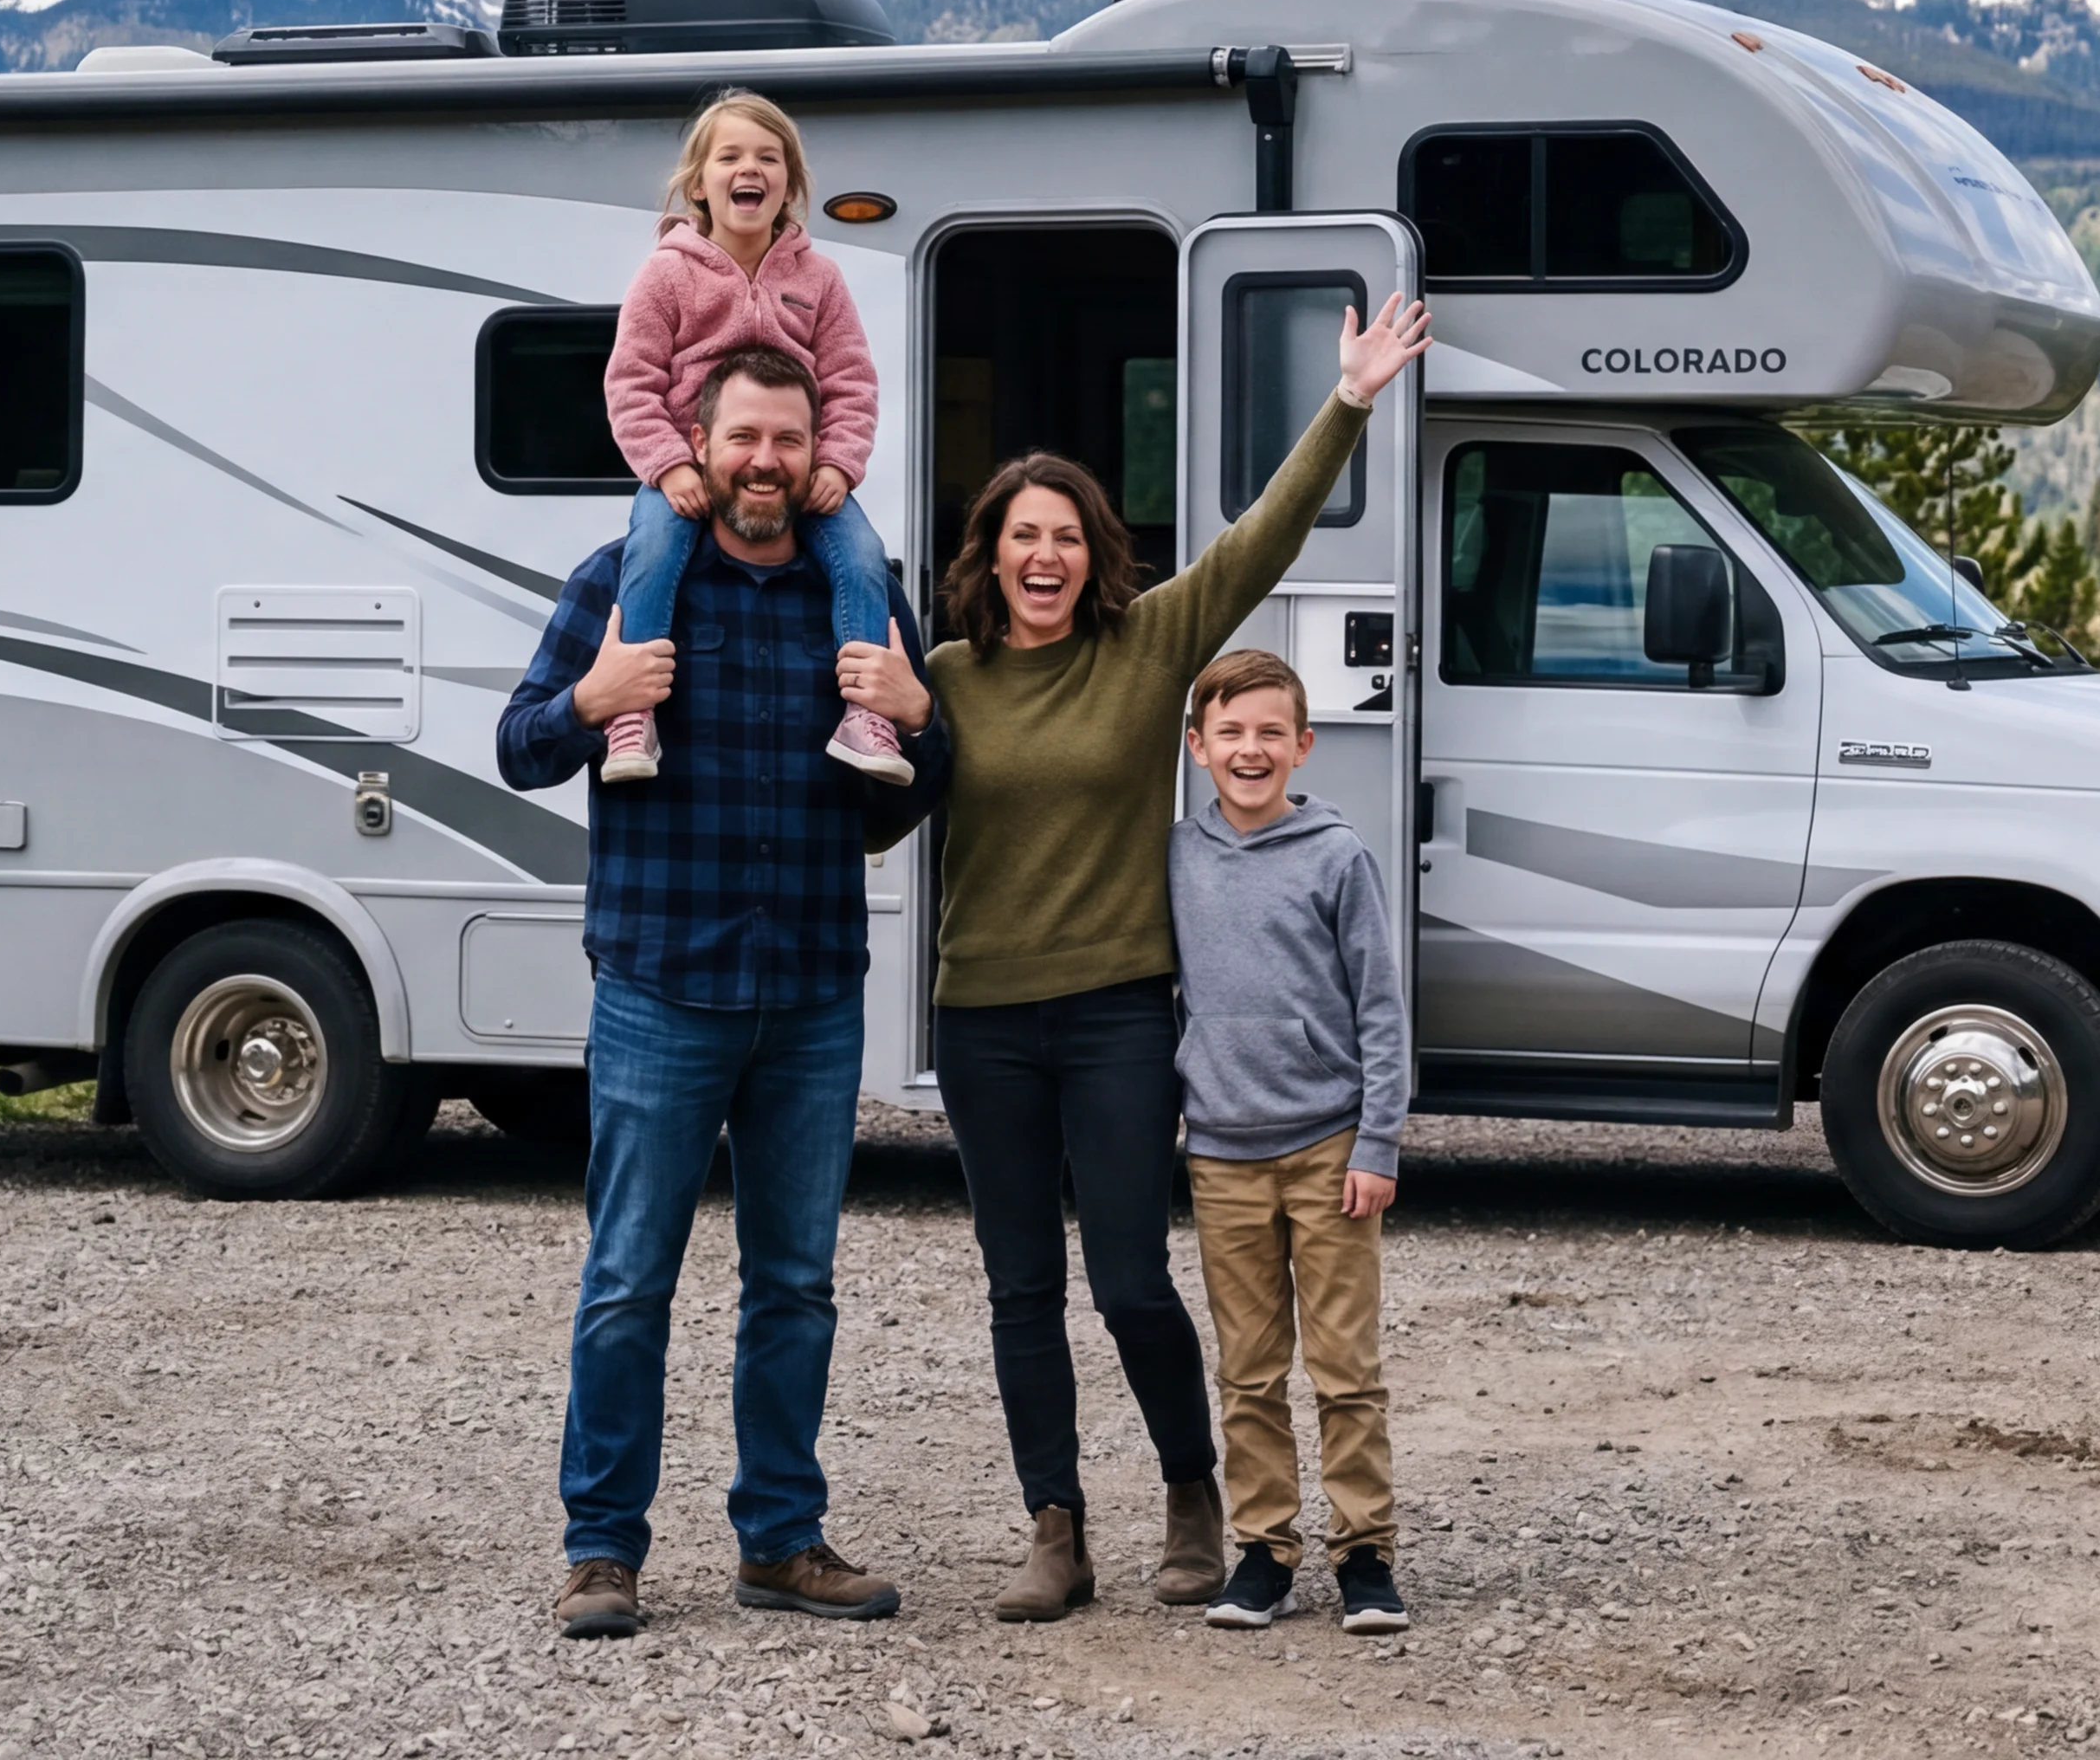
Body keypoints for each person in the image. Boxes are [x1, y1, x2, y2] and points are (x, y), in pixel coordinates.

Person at [919, 291, 1431, 1622]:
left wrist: (1351, 401)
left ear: (1098, 552)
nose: (1047, 556)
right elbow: (877, 800)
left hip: (1115, 1017)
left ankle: (1199, 1494)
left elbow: (1262, 543)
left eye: (1069, 536)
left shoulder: (1146, 653)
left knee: (1133, 1279)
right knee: (1021, 1285)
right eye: (1024, 536)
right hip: (982, 1018)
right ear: (993, 551)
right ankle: (1055, 1526)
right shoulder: (948, 675)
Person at [498, 342, 951, 1642]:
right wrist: (596, 696)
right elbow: (520, 743)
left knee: (795, 1283)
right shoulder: (625, 583)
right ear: (697, 446)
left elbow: (912, 797)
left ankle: (780, 1540)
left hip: (811, 990)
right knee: (631, 1276)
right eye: (743, 437)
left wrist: (919, 717)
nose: (766, 462)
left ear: (819, 456)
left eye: (787, 441)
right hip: (659, 985)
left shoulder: (858, 596)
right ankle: (601, 1551)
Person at [1169, 649, 1412, 1636]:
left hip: (1327, 1147)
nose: (1250, 749)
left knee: (1345, 1368)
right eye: (1229, 732)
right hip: (1220, 1153)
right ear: (1196, 748)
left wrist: (1377, 1145)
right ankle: (1264, 1552)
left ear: (1303, 745)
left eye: (1270, 732)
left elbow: (1381, 1011)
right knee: (1247, 1370)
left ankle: (1365, 1556)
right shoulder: (1177, 857)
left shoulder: (1337, 857)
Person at [597, 93, 903, 786]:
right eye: (730, 156)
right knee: (650, 552)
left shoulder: (818, 278)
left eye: (769, 158)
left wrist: (840, 463)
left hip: (796, 473)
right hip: (687, 468)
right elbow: (631, 383)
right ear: (698, 183)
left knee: (862, 555)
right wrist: (668, 465)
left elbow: (853, 380)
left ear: (790, 185)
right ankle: (631, 715)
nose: (750, 169)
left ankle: (866, 714)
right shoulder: (667, 274)